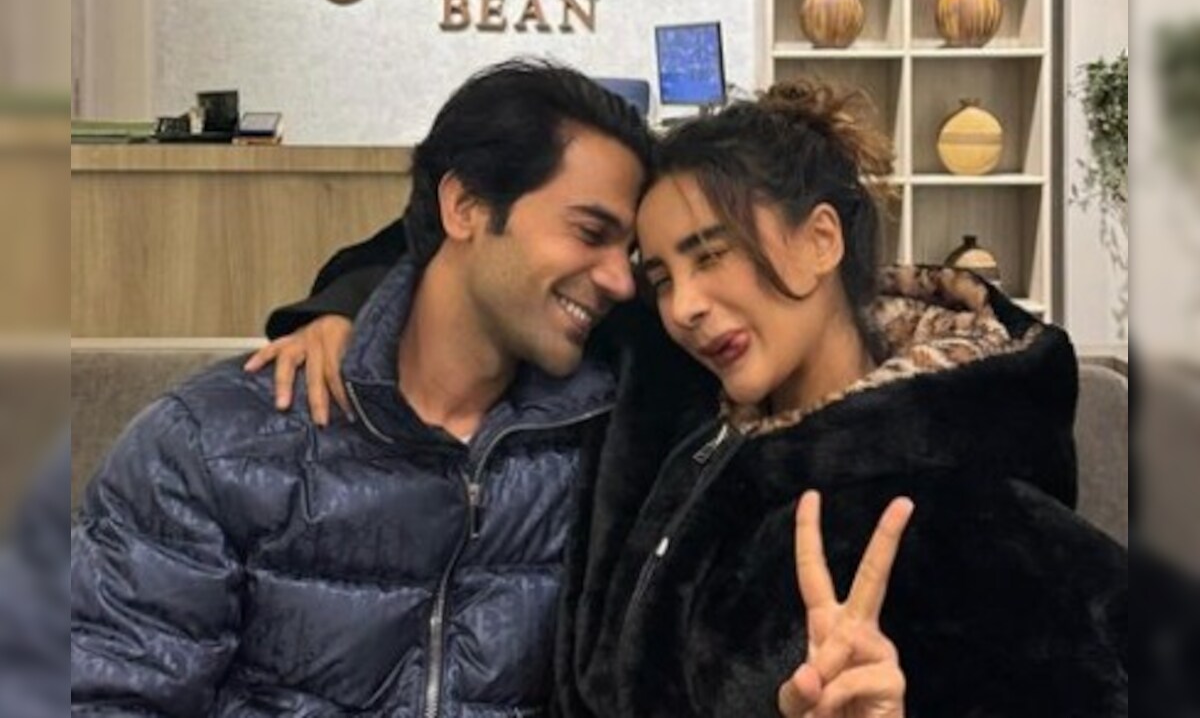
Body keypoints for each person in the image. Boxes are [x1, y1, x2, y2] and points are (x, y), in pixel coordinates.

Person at [261, 79, 1128, 716]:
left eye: (712, 255)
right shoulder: (671, 385)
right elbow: (490, 238)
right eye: (660, 276)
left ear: (820, 239)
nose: (684, 306)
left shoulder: (966, 486)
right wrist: (344, 309)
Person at [71, 59, 654, 716]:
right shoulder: (212, 445)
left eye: (631, 254)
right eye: (590, 233)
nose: (620, 280)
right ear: (464, 206)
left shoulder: (604, 455)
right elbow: (110, 695)